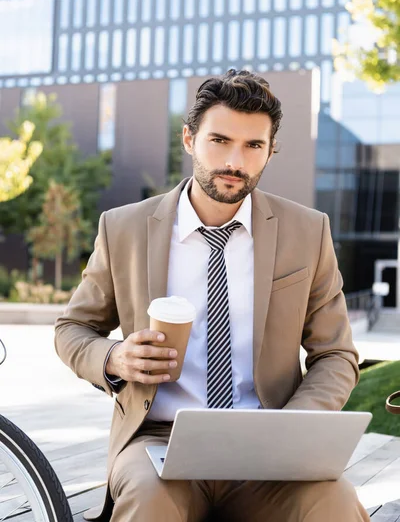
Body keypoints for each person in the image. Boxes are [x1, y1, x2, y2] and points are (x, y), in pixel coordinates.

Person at [55, 69, 370, 522]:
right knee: (147, 500)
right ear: (189, 139)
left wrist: (292, 428)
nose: (234, 161)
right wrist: (114, 357)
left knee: (335, 502)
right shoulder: (124, 227)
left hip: (271, 447)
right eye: (219, 140)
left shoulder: (308, 231)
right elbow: (73, 329)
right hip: (158, 441)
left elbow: (337, 355)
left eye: (253, 146)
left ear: (270, 150)